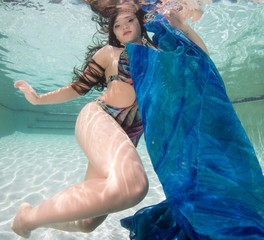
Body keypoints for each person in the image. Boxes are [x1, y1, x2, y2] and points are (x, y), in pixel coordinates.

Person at [11, 2, 208, 239]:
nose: (124, 26)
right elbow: (77, 88)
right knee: (133, 185)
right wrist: (38, 99)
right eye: (117, 25)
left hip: (124, 137)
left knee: (87, 222)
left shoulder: (159, 58)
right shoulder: (109, 54)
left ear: (140, 22)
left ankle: (31, 215)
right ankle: (28, 220)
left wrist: (183, 27)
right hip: (98, 118)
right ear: (112, 32)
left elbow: (202, 62)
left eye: (129, 21)